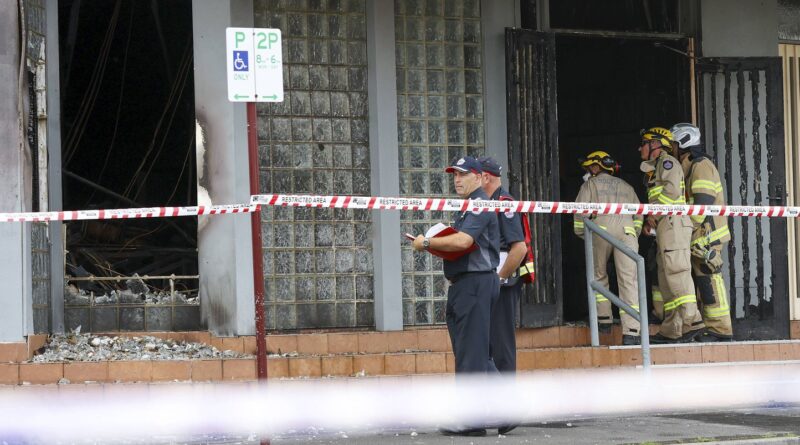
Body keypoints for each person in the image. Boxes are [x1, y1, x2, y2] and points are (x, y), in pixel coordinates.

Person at [411, 156, 499, 437]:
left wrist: (427, 242)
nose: (457, 180)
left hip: (475, 283)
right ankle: (510, 407)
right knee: (472, 352)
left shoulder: (479, 204)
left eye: (463, 174)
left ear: (478, 177)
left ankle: (471, 421)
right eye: (454, 175)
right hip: (465, 285)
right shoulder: (466, 206)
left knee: (471, 354)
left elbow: (464, 241)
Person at [639, 127, 705, 343]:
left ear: (656, 145)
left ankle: (692, 320)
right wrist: (652, 217)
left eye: (645, 143)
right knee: (666, 276)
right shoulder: (657, 167)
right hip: (666, 226)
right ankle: (672, 329)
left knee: (677, 271)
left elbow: (671, 194)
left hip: (672, 224)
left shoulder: (668, 163)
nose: (640, 148)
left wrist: (653, 215)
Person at [573, 151, 644, 345]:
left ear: (596, 167)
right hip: (627, 232)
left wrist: (585, 235)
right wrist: (633, 233)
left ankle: (603, 320)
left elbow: (580, 214)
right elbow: (639, 214)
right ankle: (632, 331)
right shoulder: (627, 186)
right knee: (629, 280)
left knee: (599, 275)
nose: (588, 171)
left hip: (600, 230)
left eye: (589, 167)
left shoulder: (590, 184)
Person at [670, 123, 733, 342]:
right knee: (702, 282)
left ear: (684, 143)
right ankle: (711, 327)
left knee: (709, 280)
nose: (672, 149)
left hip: (707, 234)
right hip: (699, 233)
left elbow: (703, 202)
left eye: (674, 144)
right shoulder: (688, 165)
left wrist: (688, 228)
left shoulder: (701, 165)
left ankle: (721, 329)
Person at [477, 156, 527, 371]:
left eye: (472, 175)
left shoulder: (504, 203)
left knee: (501, 344)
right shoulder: (487, 203)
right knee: (487, 343)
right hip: (490, 281)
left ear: (485, 177)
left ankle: (506, 398)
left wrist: (498, 280)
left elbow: (519, 248)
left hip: (502, 284)